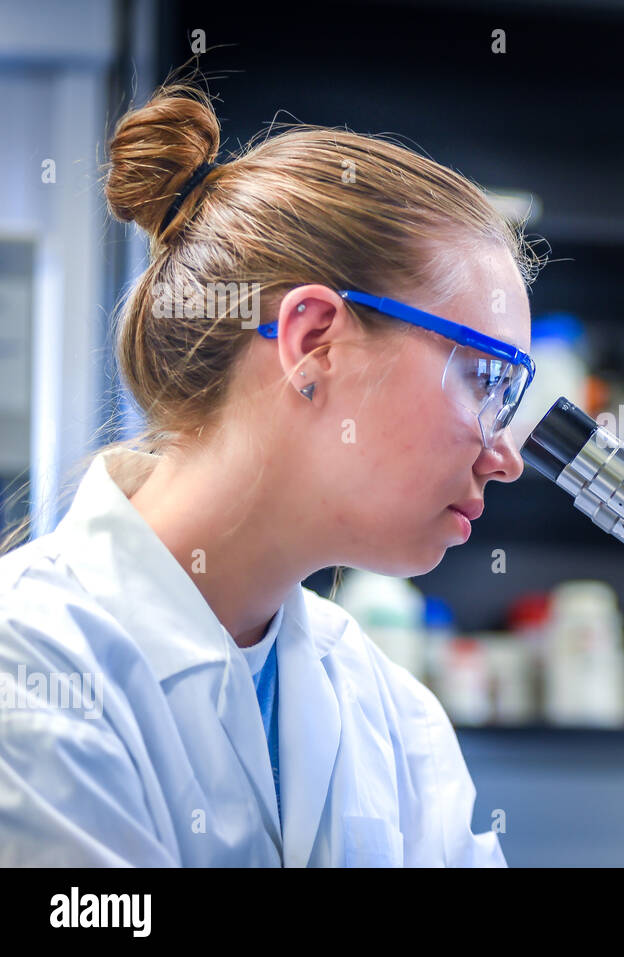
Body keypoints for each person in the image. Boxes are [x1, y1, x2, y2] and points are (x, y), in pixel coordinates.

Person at [0, 79, 539, 866]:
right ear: (315, 341)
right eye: (485, 380)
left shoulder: (391, 716)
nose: (506, 455)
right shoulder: (34, 665)